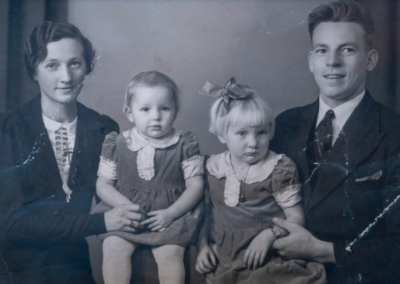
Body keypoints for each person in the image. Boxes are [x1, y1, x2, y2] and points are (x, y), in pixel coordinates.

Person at [0, 22, 145, 284]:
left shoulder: (102, 128)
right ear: (35, 71)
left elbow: (124, 198)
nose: (66, 77)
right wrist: (100, 224)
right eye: (52, 65)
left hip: (74, 271)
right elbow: (11, 224)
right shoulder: (10, 127)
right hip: (14, 274)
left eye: (75, 63)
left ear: (87, 67)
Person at [269, 1, 400, 283]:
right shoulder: (285, 124)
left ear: (371, 59)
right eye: (322, 50)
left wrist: (323, 251)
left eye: (347, 49)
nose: (332, 62)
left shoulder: (394, 132)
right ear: (311, 60)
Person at [195, 78, 326, 284]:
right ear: (222, 135)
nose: (253, 143)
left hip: (269, 256)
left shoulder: (278, 167)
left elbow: (296, 217)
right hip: (226, 258)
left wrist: (269, 235)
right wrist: (203, 246)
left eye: (262, 133)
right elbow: (205, 215)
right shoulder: (212, 167)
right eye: (242, 133)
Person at [92, 71, 204, 284]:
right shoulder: (118, 143)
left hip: (167, 216)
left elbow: (196, 186)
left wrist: (171, 214)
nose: (156, 117)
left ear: (175, 111)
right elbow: (103, 184)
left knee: (171, 254)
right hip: (127, 214)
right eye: (145, 109)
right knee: (113, 247)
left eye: (164, 108)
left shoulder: (184, 143)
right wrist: (125, 207)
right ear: (130, 113)